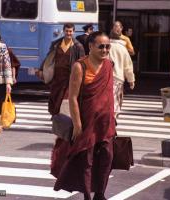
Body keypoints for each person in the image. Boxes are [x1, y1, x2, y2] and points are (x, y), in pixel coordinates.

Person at [51, 31, 116, 200]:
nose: (105, 50)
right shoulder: (80, 66)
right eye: (101, 46)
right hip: (87, 122)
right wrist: (78, 124)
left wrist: (114, 115)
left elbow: (109, 94)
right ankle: (87, 195)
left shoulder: (109, 65)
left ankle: (100, 193)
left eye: (107, 46)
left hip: (106, 122)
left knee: (107, 158)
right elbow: (72, 97)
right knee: (86, 160)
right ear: (91, 46)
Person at [36, 23, 85, 115]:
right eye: (66, 31)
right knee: (54, 97)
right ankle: (55, 116)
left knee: (65, 99)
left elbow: (82, 62)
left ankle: (63, 117)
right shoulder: (56, 44)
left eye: (70, 31)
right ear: (63, 31)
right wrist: (41, 69)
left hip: (69, 78)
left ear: (73, 32)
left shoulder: (78, 46)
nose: (68, 33)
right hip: (56, 77)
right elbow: (48, 58)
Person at [109, 32, 135, 116]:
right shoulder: (123, 49)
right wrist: (131, 80)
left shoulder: (105, 47)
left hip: (105, 77)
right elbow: (128, 66)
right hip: (118, 78)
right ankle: (113, 119)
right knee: (116, 100)